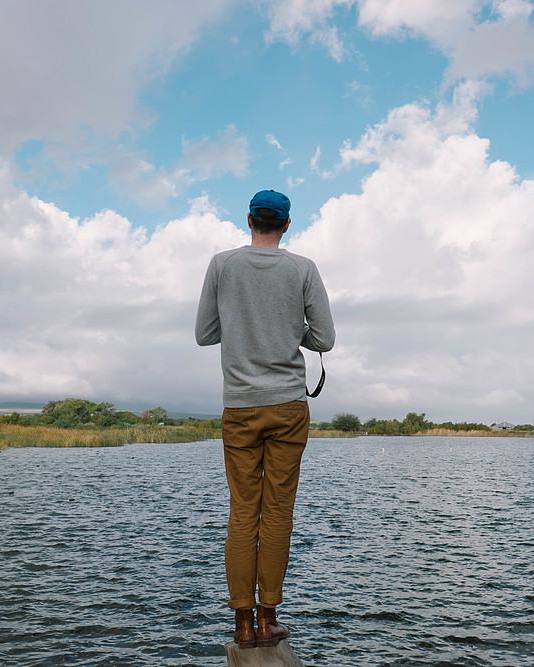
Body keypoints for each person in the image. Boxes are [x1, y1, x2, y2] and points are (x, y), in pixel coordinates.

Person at [195, 189, 335, 648]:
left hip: (239, 406)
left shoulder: (222, 264)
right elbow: (325, 339)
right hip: (289, 407)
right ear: (286, 224)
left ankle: (240, 625)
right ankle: (268, 618)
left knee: (243, 515)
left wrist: (241, 327)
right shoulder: (302, 269)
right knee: (277, 513)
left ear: (249, 220)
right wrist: (290, 331)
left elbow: (204, 334)